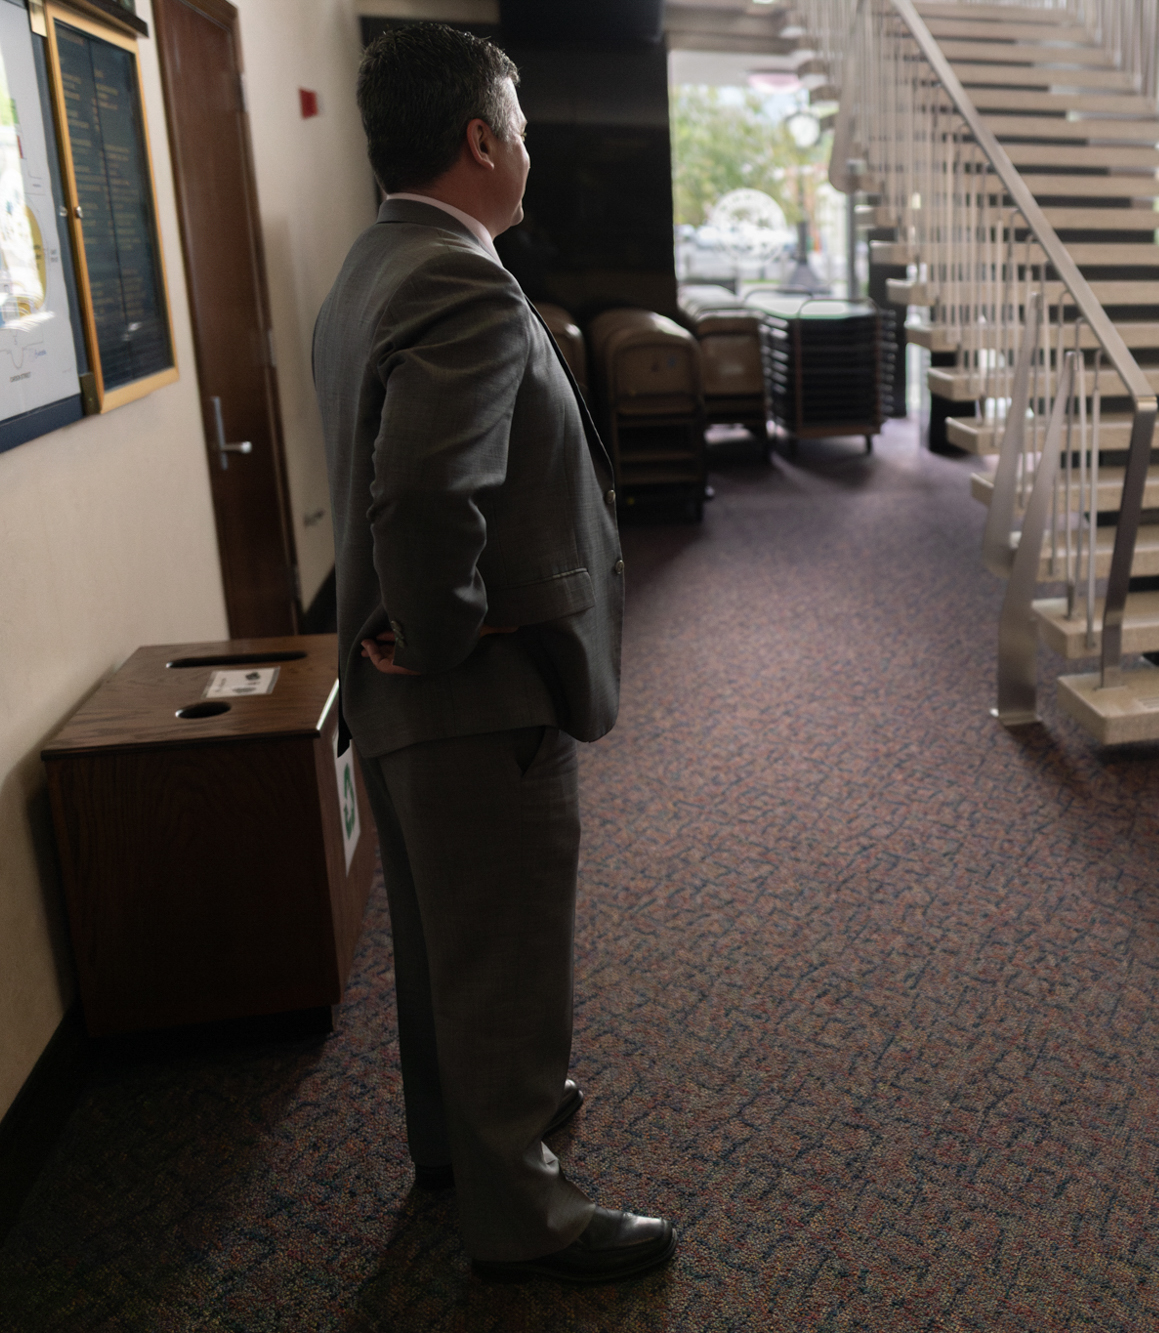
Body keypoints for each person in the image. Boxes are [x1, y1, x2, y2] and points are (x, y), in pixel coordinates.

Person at [312, 24, 674, 1285]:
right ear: (478, 139)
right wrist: (448, 628)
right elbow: (420, 492)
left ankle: (453, 1140)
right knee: (506, 937)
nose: (528, 145)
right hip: (469, 695)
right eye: (518, 125)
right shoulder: (458, 278)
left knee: (441, 935)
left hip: (393, 693)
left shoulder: (374, 260)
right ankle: (524, 1211)